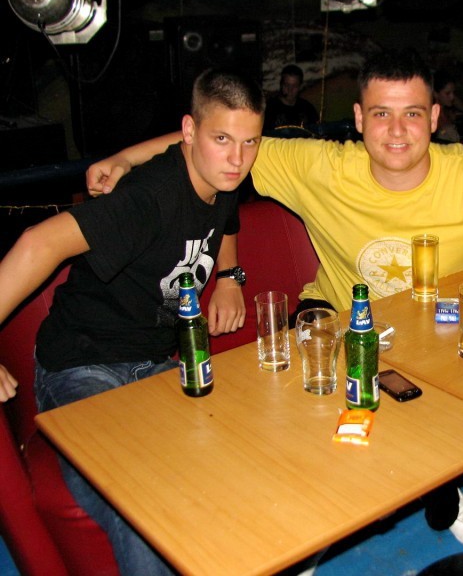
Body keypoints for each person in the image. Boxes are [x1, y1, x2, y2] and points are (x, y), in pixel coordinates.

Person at [84, 50, 463, 551]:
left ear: (434, 117)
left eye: (412, 113)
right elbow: (208, 145)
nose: (397, 130)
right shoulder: (319, 165)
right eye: (381, 113)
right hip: (336, 323)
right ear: (358, 118)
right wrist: (120, 159)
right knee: (334, 367)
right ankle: (319, 519)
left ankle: (436, 491)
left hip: (440, 340)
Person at [0, 68, 265, 574]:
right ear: (190, 132)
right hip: (83, 365)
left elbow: (225, 214)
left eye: (249, 141)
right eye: (222, 140)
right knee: (136, 498)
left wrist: (230, 277)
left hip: (155, 365)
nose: (237, 159)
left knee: (240, 455)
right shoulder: (150, 197)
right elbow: (38, 242)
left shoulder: (224, 174)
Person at [263, 64, 319, 132]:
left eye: (294, 86)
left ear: (300, 87)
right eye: (287, 85)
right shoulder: (270, 108)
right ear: (281, 84)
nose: (290, 89)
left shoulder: (307, 108)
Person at [432, 69, 463, 143]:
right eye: (447, 93)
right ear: (436, 94)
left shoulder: (448, 112)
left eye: (453, 92)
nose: (452, 97)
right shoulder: (432, 117)